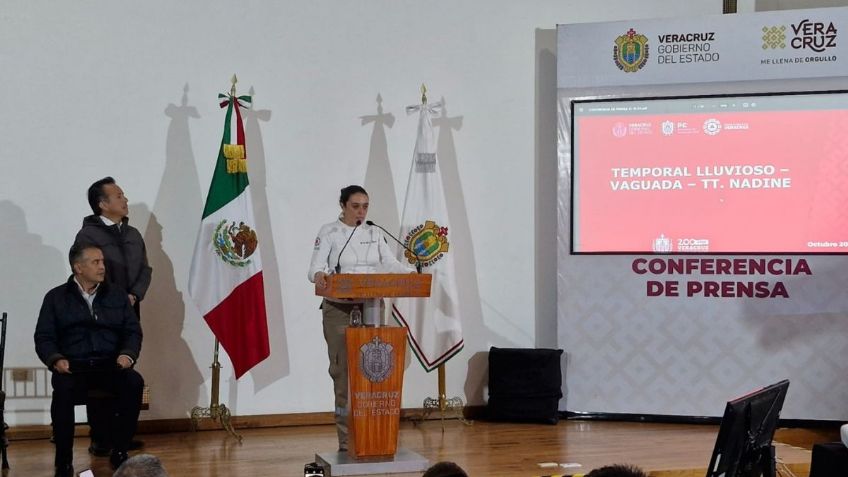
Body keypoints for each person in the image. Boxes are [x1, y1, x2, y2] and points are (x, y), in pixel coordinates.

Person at [308, 185, 413, 451]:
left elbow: (388, 263)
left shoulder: (375, 232)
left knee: (376, 374)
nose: (361, 211)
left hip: (372, 306)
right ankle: (346, 441)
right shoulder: (329, 232)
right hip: (339, 309)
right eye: (355, 206)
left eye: (365, 206)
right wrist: (320, 275)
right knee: (343, 375)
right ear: (342, 206)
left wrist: (409, 273)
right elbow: (315, 268)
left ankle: (376, 438)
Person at [35, 243, 144, 477]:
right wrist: (56, 360)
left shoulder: (116, 294)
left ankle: (120, 451)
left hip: (110, 366)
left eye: (103, 261)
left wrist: (127, 354)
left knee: (134, 382)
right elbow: (44, 337)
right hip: (74, 368)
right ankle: (63, 461)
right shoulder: (55, 298)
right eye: (96, 262)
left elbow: (132, 331)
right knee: (62, 391)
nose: (103, 267)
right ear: (78, 267)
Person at [75, 176, 151, 455]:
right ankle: (100, 436)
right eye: (119, 196)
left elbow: (145, 270)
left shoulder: (132, 234)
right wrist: (115, 298)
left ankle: (121, 436)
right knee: (101, 373)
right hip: (102, 314)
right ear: (102, 204)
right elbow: (87, 273)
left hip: (130, 310)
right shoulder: (88, 236)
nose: (125, 200)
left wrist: (134, 294)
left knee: (125, 369)